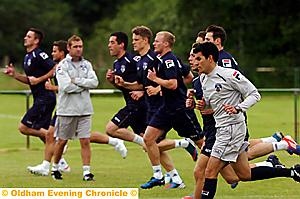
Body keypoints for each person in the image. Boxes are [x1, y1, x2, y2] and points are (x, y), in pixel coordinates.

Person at [194, 42, 300, 199]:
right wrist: (202, 105)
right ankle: (292, 172)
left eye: (198, 58)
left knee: (209, 171)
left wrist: (239, 108)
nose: (195, 62)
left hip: (231, 130)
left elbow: (255, 94)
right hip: (223, 128)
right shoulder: (203, 79)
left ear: (210, 58)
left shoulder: (229, 75)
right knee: (243, 174)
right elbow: (212, 105)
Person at [115, 25, 199, 189]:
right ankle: (171, 177)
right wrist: (124, 84)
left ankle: (185, 148)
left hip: (167, 106)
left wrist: (158, 87)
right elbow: (142, 85)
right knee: (150, 144)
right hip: (153, 107)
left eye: (136, 40)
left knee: (151, 145)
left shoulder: (161, 58)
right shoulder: (140, 61)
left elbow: (184, 77)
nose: (134, 43)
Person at [140, 31, 204, 189]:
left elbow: (173, 84)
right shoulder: (163, 60)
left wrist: (156, 81)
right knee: (148, 139)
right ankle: (158, 176)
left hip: (180, 109)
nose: (154, 44)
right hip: (166, 108)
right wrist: (164, 87)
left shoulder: (169, 60)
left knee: (202, 144)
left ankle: (230, 169)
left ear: (166, 44)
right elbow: (188, 76)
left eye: (157, 41)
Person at [51, 35, 98, 181]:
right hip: (67, 109)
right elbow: (65, 87)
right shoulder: (62, 65)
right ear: (69, 48)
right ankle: (55, 167)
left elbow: (95, 82)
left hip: (85, 108)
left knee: (85, 140)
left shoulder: (87, 64)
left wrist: (77, 81)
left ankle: (86, 172)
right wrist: (83, 85)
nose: (79, 49)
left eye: (80, 46)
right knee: (62, 141)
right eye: (75, 47)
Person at [2, 28, 56, 144]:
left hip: (45, 98)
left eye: (29, 36)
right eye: (26, 36)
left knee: (24, 127)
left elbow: (55, 68)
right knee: (43, 134)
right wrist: (15, 74)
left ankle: (55, 139)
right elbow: (30, 80)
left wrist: (40, 80)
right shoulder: (27, 57)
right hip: (40, 98)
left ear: (36, 41)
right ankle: (60, 160)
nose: (25, 38)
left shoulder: (39, 54)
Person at [27, 40, 71, 176]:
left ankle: (114, 141)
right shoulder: (60, 66)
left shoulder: (66, 66)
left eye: (55, 51)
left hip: (71, 107)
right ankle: (48, 166)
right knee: (50, 134)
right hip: (62, 106)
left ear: (62, 53)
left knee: (85, 137)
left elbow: (71, 86)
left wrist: (52, 88)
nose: (52, 54)